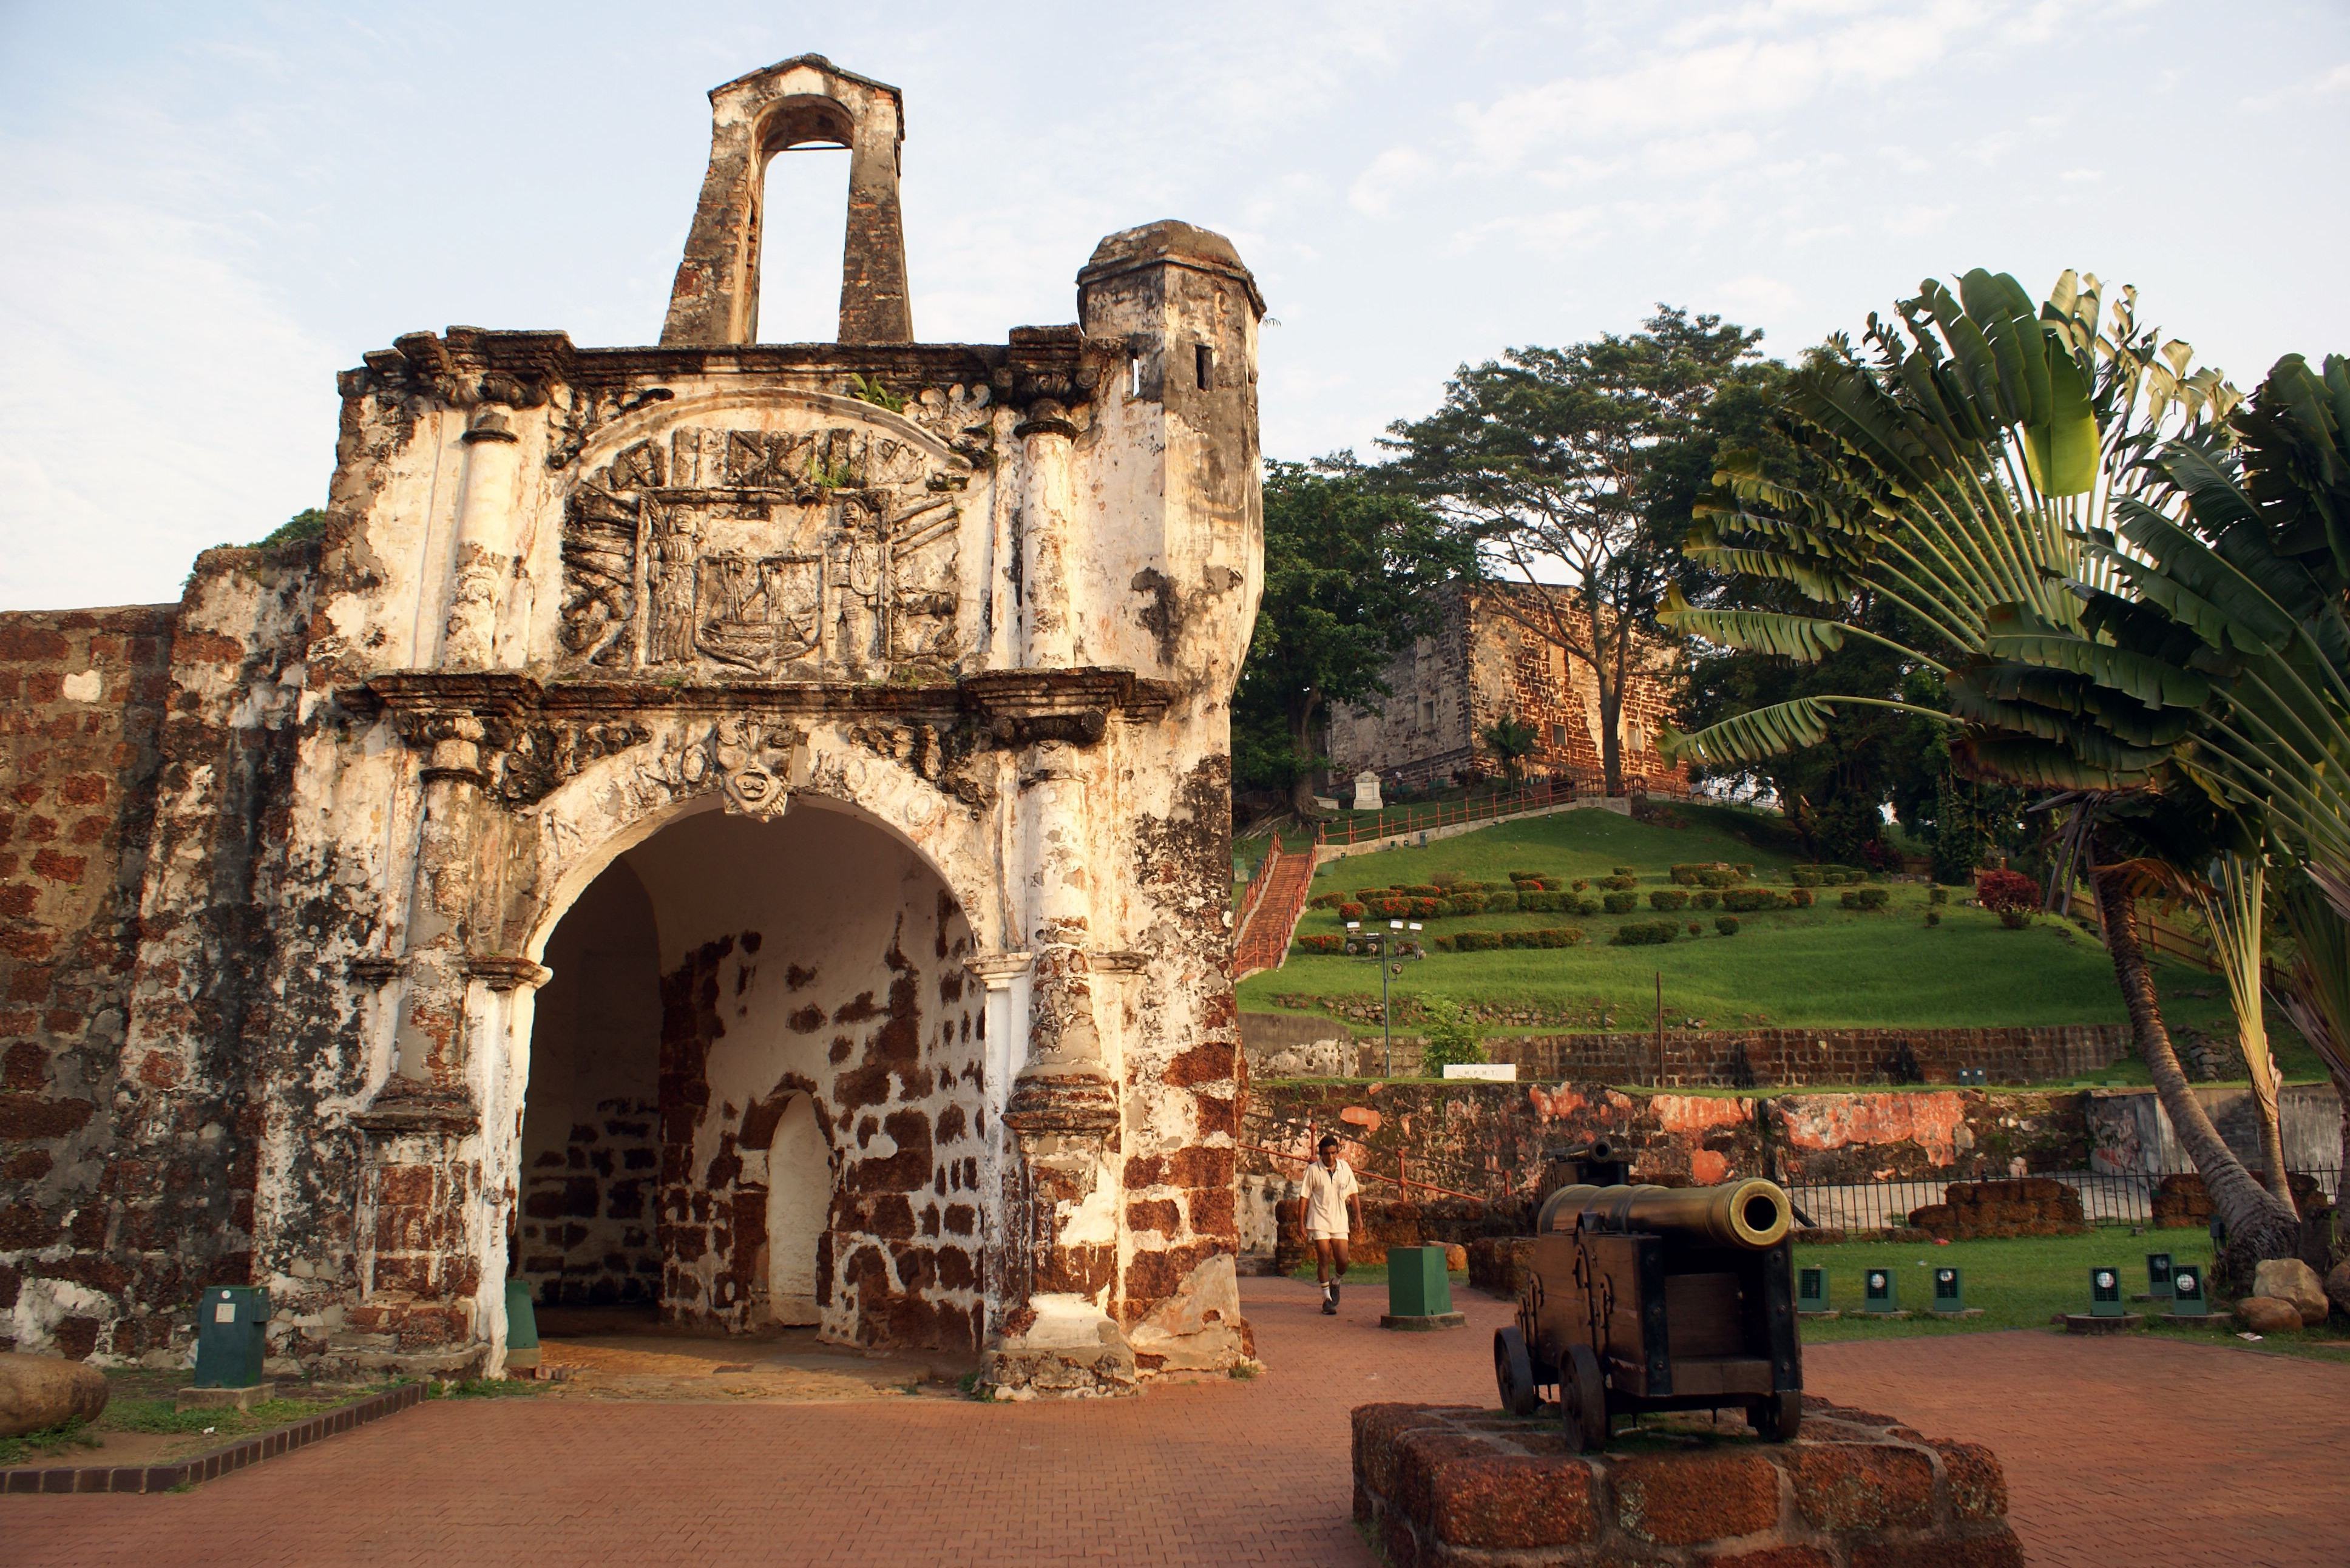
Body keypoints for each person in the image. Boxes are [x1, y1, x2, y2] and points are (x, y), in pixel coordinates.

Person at [1301, 1134, 1363, 1314]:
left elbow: (1353, 1193)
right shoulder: (1313, 1170)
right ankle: (1327, 1299)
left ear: (1338, 1152)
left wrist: (1358, 1216)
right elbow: (1304, 1197)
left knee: (1343, 1260)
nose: (1330, 1157)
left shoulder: (1345, 1168)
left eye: (1334, 1153)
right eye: (1327, 1154)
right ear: (1321, 1154)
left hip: (1339, 1220)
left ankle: (1336, 1281)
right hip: (1319, 1219)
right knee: (1324, 1256)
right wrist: (1300, 1223)